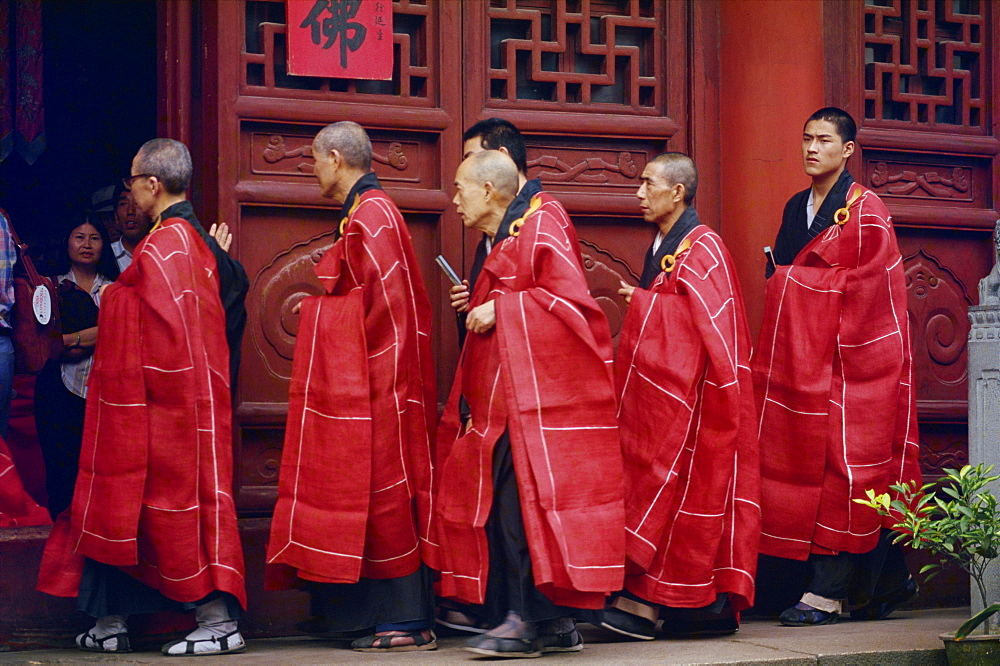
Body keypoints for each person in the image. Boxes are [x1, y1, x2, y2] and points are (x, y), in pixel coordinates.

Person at [37, 138, 247, 656]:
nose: (127, 190)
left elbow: (166, 330)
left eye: (132, 179)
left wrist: (111, 308)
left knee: (168, 507)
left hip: (166, 407)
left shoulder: (167, 245)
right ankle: (110, 622)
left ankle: (218, 621)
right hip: (170, 403)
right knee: (125, 506)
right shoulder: (186, 242)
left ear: (153, 184)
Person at [432, 150, 625, 658]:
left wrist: (504, 307)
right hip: (505, 400)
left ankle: (527, 623)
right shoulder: (509, 232)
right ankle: (547, 623)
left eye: (459, 189)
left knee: (524, 513)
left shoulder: (544, 221)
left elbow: (575, 308)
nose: (453, 200)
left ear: (490, 192)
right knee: (510, 510)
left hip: (541, 403)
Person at [265, 121, 438, 653]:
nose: (311, 171)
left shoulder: (374, 215)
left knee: (385, 497)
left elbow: (389, 309)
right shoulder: (360, 214)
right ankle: (351, 614)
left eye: (314, 160)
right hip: (361, 374)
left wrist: (323, 320)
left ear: (337, 158)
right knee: (353, 495)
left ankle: (408, 620)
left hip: (379, 378)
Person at [753, 108, 920, 626]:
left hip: (858, 363)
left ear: (847, 150)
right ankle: (889, 582)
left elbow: (872, 289)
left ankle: (828, 592)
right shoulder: (794, 207)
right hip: (807, 363)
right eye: (806, 139)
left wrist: (792, 284)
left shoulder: (866, 210)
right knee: (813, 469)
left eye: (824, 140)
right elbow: (780, 274)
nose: (811, 149)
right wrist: (786, 283)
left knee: (847, 473)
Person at [597, 153, 760, 640]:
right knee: (657, 489)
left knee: (688, 497)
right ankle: (690, 609)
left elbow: (712, 328)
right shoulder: (666, 245)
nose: (639, 193)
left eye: (648, 184)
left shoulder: (704, 247)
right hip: (667, 396)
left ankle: (654, 604)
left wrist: (645, 305)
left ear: (678, 193)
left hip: (702, 401)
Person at [34, 218, 120, 519]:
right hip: (57, 389)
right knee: (60, 468)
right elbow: (45, 344)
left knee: (101, 470)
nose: (86, 244)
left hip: (104, 390)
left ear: (104, 245)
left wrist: (71, 339)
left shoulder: (116, 291)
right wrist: (99, 333)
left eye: (95, 238)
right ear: (67, 242)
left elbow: (125, 331)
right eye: (79, 237)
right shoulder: (48, 288)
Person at [449, 119, 541, 346]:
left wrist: (500, 309)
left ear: (502, 155)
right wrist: (473, 303)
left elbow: (563, 299)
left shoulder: (542, 217)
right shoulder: (493, 224)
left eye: (471, 157)